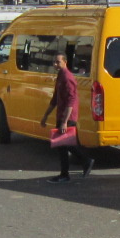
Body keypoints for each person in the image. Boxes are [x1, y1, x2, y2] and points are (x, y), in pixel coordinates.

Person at [39, 51, 91, 182]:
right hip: (61, 115)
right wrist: (45, 115)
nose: (55, 64)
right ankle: (66, 172)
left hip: (68, 117)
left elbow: (71, 100)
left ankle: (83, 163)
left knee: (65, 144)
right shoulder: (60, 76)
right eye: (54, 62)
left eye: (58, 61)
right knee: (62, 145)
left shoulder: (67, 77)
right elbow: (55, 99)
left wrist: (65, 122)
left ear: (65, 62)